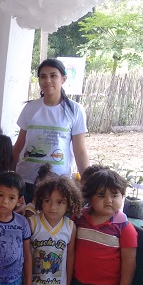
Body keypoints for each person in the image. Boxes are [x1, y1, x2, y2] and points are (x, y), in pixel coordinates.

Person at [13, 58, 90, 202]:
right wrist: (10, 173)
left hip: (57, 182)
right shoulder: (30, 108)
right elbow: (19, 145)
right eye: (43, 76)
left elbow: (80, 151)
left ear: (63, 79)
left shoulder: (75, 110)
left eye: (53, 75)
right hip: (26, 179)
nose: (47, 80)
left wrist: (88, 183)